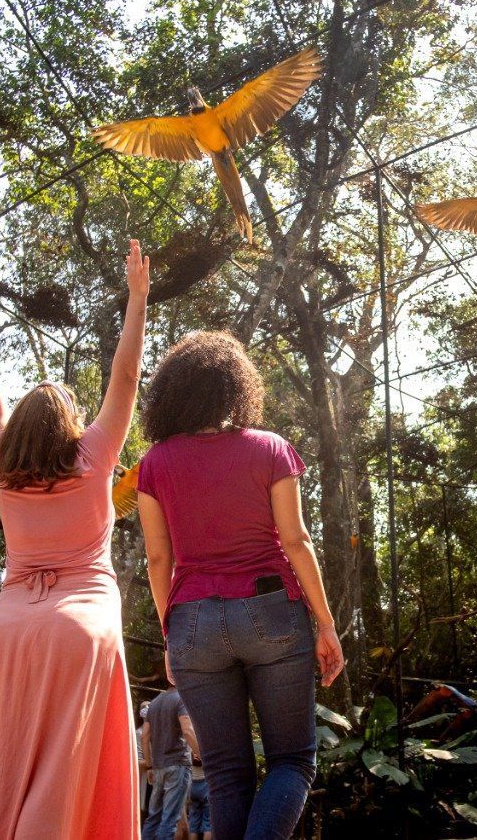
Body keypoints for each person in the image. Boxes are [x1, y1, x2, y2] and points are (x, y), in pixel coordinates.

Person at [0, 241, 151, 839]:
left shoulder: (3, 461)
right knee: (62, 774)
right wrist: (137, 299)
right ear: (72, 423)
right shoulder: (93, 455)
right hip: (80, 625)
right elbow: (126, 374)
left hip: (5, 631)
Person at [137, 331, 345, 840]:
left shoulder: (154, 464)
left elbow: (158, 559)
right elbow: (296, 542)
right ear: (237, 386)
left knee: (227, 773)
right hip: (271, 611)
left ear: (172, 392)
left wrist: (171, 634)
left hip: (191, 622)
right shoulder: (270, 448)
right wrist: (326, 623)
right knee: (292, 761)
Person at [141, 685, 198, 840]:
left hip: (159, 767)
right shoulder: (182, 699)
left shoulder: (154, 703)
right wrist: (202, 755)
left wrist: (149, 764)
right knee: (170, 819)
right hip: (178, 764)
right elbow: (187, 730)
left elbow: (145, 735)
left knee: (153, 818)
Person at [187, 754, 211, 840]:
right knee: (209, 824)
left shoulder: (190, 746)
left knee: (193, 824)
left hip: (192, 784)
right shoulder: (204, 746)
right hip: (206, 783)